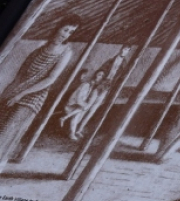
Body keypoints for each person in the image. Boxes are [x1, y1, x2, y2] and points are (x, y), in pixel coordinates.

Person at [0, 22, 78, 165]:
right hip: (17, 90)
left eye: (71, 32)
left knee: (8, 132)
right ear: (57, 27)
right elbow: (21, 74)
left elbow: (51, 78)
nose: (66, 34)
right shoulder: (41, 47)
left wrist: (21, 94)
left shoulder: (66, 51)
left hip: (33, 97)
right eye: (65, 29)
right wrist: (9, 93)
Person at [59, 69, 107, 141]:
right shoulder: (86, 84)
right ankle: (69, 126)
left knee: (77, 114)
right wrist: (83, 105)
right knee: (83, 108)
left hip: (78, 106)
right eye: (99, 75)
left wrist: (84, 105)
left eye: (102, 76)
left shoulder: (92, 86)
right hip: (73, 103)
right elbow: (78, 97)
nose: (100, 77)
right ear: (95, 75)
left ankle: (70, 128)